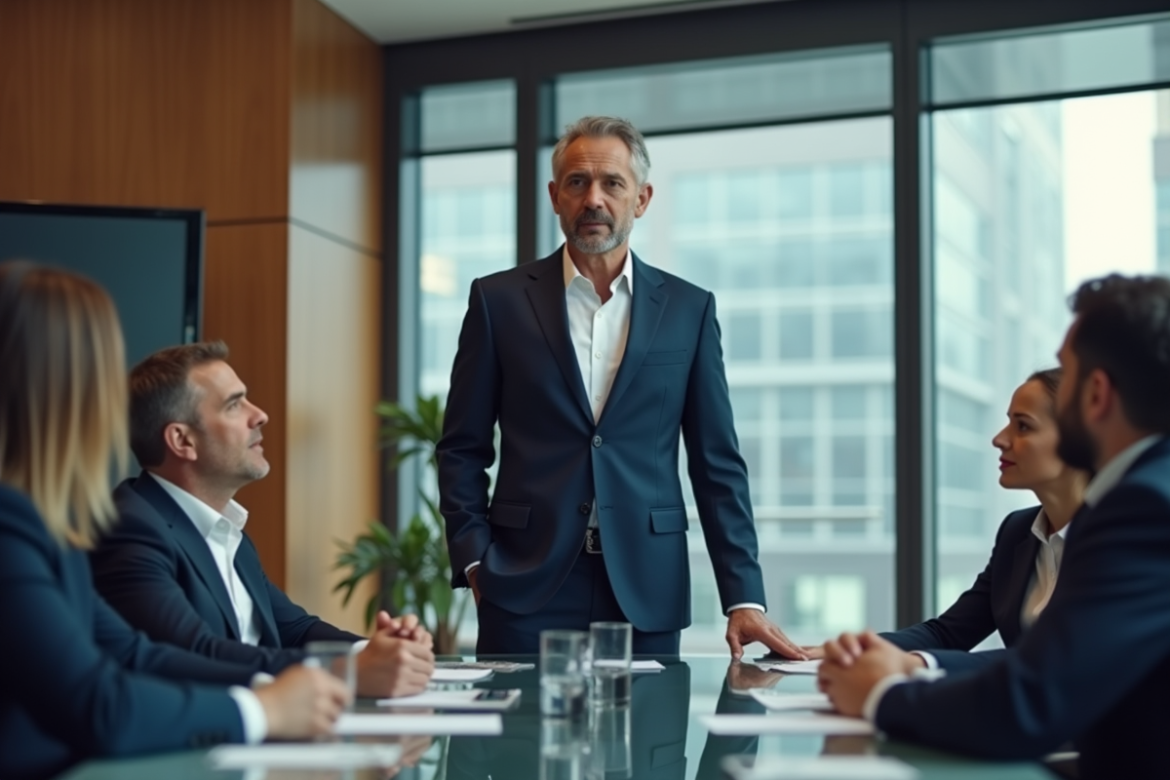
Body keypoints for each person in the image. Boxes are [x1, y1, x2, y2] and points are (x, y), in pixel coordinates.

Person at [437, 115, 801, 658]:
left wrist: (743, 596)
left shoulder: (689, 309)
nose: (594, 199)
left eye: (612, 183)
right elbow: (462, 448)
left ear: (642, 199)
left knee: (651, 719)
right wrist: (474, 560)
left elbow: (717, 464)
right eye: (577, 182)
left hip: (647, 586)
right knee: (521, 718)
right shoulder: (498, 301)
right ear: (555, 196)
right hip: (522, 585)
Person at [0, 261, 349, 780]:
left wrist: (306, 684)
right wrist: (263, 709)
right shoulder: (18, 524)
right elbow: (102, 704)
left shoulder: (49, 524)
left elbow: (137, 655)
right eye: (100, 371)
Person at [818, 274, 1170, 778]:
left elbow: (1029, 700)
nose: (1001, 439)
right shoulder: (1127, 500)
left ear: (1096, 394)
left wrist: (880, 694)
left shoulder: (1144, 506)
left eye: (1067, 371)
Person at [89, 342, 435, 698]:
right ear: (182, 440)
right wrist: (348, 671)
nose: (260, 415)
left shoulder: (224, 529)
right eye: (234, 405)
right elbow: (193, 654)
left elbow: (294, 630)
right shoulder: (131, 528)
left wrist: (380, 650)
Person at [802, 369, 1088, 673]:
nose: (999, 439)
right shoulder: (1017, 532)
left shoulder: (1115, 542)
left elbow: (1056, 656)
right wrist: (857, 650)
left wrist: (915, 663)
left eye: (1023, 426)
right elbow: (948, 633)